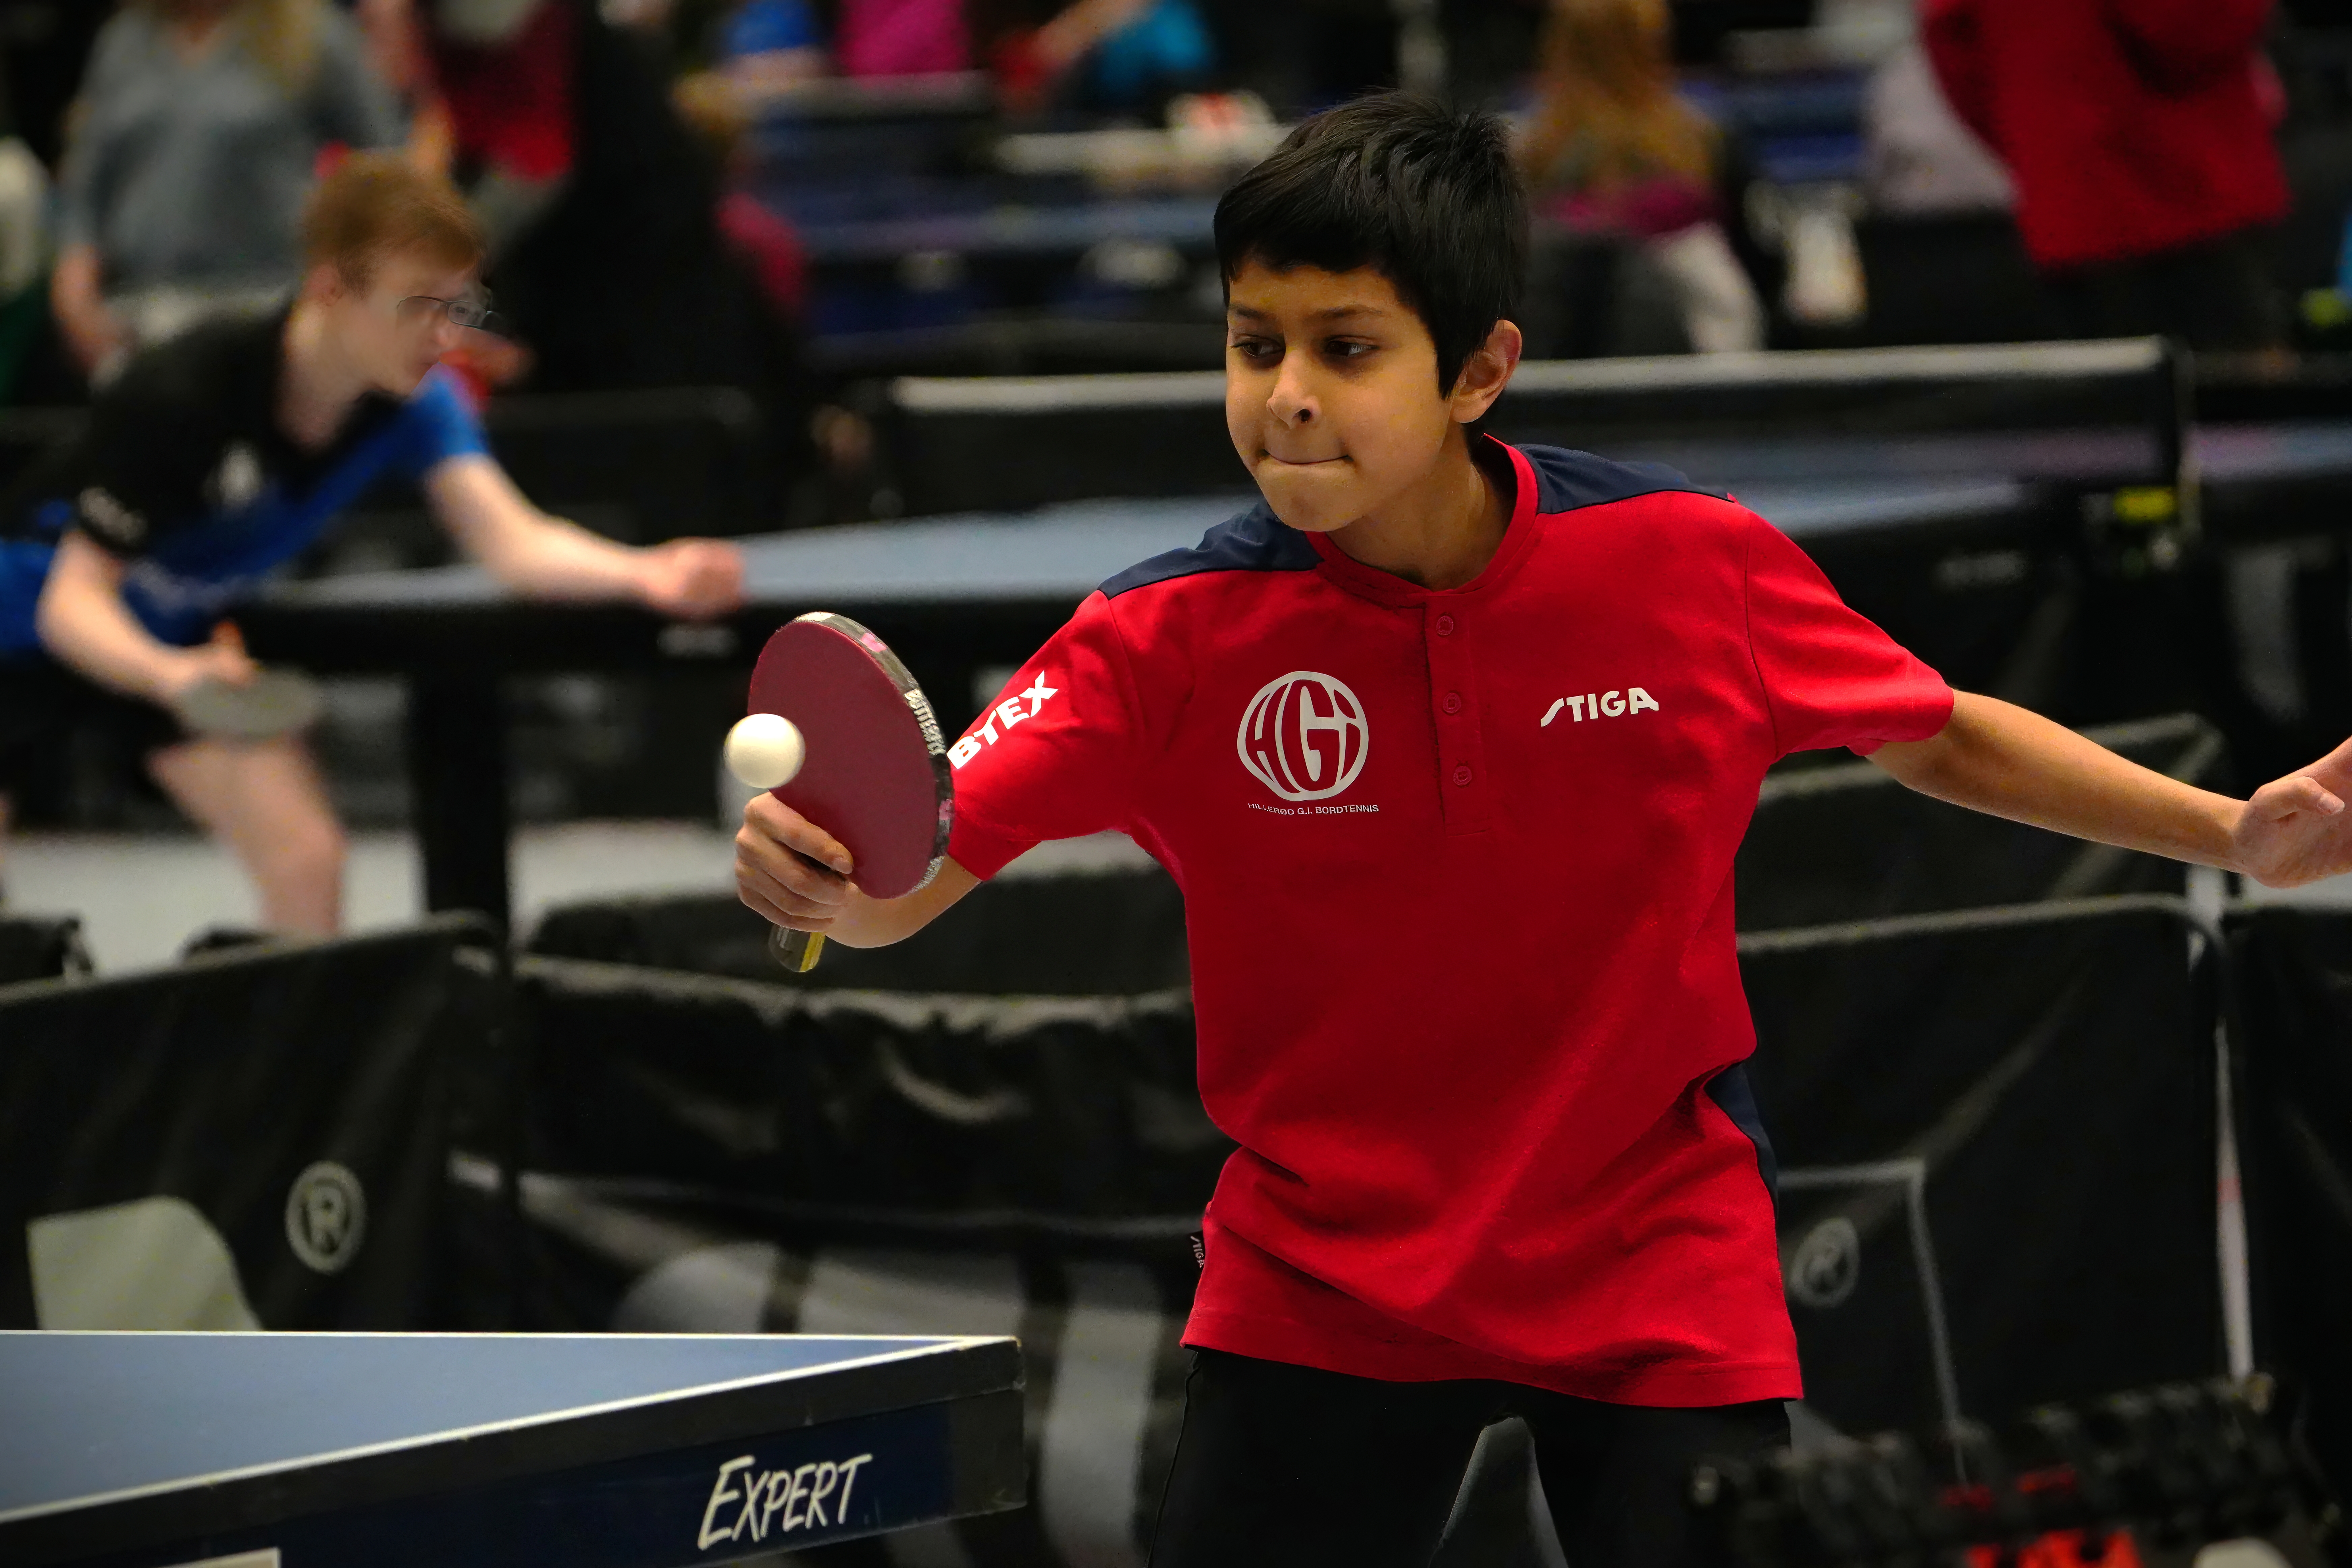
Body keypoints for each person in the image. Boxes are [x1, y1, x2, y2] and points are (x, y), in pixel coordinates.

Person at [733, 95, 2352, 1566]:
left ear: (1477, 370)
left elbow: (1935, 734)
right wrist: (815, 891)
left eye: (1345, 349)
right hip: (1323, 1278)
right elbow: (906, 879)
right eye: (1249, 345)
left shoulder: (1684, 564)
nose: (1283, 399)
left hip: (1652, 1259)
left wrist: (2228, 831)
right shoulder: (1158, 643)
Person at [0, 153, 744, 934]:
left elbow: (514, 543)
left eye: (457, 307)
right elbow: (71, 605)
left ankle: (298, 1056)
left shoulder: (414, 405)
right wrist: (171, 677)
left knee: (305, 858)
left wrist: (648, 572)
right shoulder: (183, 393)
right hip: (31, 626)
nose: (443, 335)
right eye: (417, 306)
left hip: (168, 648)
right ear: (330, 286)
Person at [52, 0, 406, 381]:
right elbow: (85, 186)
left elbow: (386, 166)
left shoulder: (309, 33)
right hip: (136, 314)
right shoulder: (124, 41)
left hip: (265, 309)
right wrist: (73, 294)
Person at [1922, 0, 2291, 350]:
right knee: (2245, 400)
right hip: (2194, 199)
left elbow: (1953, 46)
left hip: (2070, 216)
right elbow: (2188, 25)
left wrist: (2036, 144)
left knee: (2110, 404)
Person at [1518, 0, 1763, 354]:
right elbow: (1755, 268)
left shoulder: (1528, 154)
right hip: (1693, 374)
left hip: (1558, 366)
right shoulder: (1704, 144)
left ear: (1557, 46)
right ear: (1653, 45)